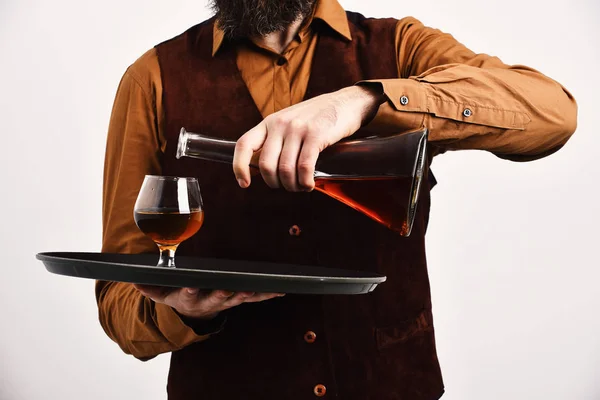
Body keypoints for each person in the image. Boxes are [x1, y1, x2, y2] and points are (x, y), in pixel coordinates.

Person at [97, 0, 577, 398]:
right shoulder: (153, 78)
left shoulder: (399, 47)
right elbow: (118, 302)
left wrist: (364, 101)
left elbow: (552, 113)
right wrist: (181, 310)